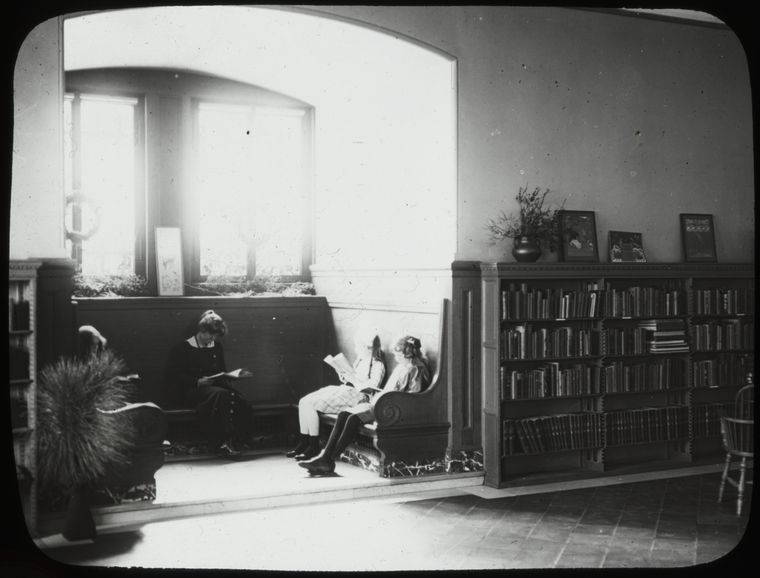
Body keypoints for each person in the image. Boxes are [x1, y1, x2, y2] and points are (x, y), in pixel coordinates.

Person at [299, 335, 431, 475]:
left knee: (353, 419)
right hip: (384, 402)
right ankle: (326, 458)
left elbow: (412, 398)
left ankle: (327, 460)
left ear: (408, 353)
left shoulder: (416, 369)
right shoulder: (403, 366)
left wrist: (385, 397)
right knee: (344, 414)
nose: (397, 358)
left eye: (399, 355)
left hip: (392, 408)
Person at [165, 310, 252, 459]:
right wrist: (197, 381)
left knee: (239, 399)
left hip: (215, 387)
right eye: (210, 335)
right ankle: (220, 442)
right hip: (191, 389)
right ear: (202, 330)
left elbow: (221, 371)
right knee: (221, 396)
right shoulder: (183, 348)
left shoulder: (216, 347)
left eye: (215, 336)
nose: (212, 338)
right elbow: (173, 376)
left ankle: (235, 441)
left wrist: (233, 376)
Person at [286, 330, 386, 460]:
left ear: (368, 348)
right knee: (304, 401)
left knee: (311, 404)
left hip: (358, 396)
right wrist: (343, 374)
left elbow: (372, 387)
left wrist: (353, 379)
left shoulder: (378, 365)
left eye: (358, 346)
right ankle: (304, 442)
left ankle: (313, 445)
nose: (356, 349)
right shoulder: (360, 360)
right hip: (345, 389)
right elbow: (350, 379)